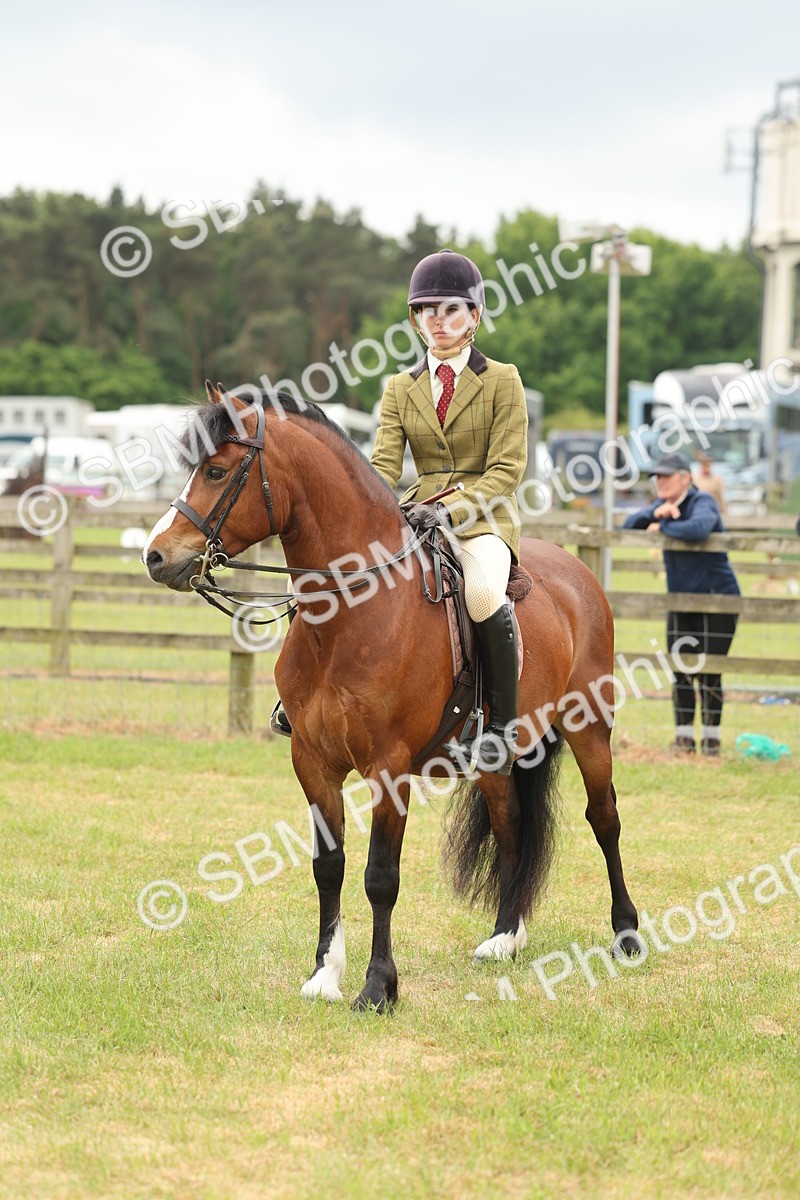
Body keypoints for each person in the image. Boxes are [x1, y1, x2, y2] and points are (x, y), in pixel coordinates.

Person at [369, 248, 529, 773]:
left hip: (484, 517)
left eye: (449, 309)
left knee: (481, 593)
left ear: (474, 316)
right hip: (417, 513)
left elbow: (507, 470)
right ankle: (301, 699)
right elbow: (384, 467)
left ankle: (501, 728)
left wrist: (454, 513)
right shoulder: (399, 387)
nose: (436, 320)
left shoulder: (503, 379)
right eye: (425, 310)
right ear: (415, 319)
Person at [623, 451, 740, 756]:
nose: (659, 481)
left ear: (685, 478)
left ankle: (711, 742)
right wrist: (656, 514)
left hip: (717, 601)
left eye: (665, 476)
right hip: (681, 601)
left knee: (710, 671)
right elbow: (628, 524)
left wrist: (663, 528)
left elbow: (698, 529)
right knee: (680, 670)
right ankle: (684, 740)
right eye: (656, 476)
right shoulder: (663, 505)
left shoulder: (703, 502)